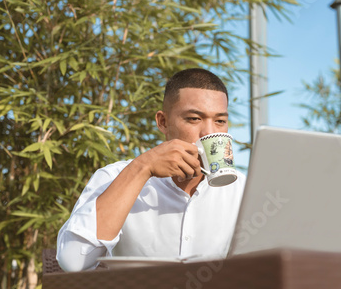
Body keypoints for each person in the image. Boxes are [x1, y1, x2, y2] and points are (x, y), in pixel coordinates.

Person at [56, 68, 246, 272]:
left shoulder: (244, 190)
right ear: (163, 122)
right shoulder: (113, 177)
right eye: (194, 119)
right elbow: (73, 262)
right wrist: (142, 167)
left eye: (220, 121)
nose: (209, 132)